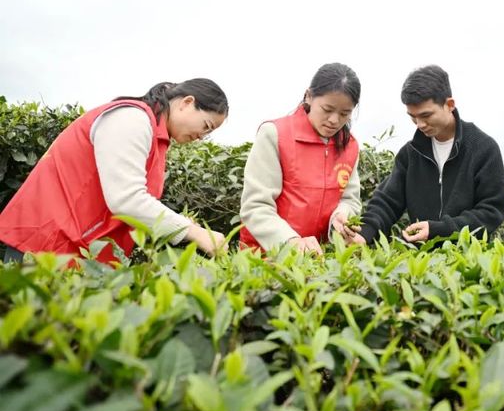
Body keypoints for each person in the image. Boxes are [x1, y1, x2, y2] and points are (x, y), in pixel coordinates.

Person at [0, 79, 230, 264]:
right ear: (187, 102)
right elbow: (126, 198)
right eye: (206, 125)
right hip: (46, 248)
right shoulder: (132, 119)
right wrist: (194, 232)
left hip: (74, 253)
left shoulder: (156, 135)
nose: (202, 136)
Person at [352, 65, 504, 245]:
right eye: (413, 117)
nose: (419, 124)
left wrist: (437, 230)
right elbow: (387, 202)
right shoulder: (410, 154)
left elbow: (491, 212)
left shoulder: (483, 149)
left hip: (469, 262)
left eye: (426, 115)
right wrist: (365, 233)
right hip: (423, 264)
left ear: (449, 105)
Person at [239, 63, 362, 254]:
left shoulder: (350, 146)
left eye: (344, 114)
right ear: (309, 96)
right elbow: (256, 206)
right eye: (327, 109)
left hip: (318, 259)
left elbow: (350, 199)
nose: (334, 120)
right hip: (265, 256)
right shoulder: (275, 134)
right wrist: (291, 241)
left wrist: (341, 216)